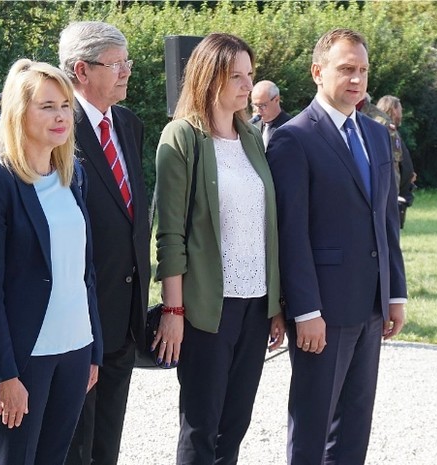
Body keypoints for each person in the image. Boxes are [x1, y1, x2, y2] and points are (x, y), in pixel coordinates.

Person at [266, 28, 407, 465]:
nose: (357, 79)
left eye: (363, 70)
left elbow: (386, 220)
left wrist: (396, 294)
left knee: (354, 428)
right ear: (317, 72)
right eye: (346, 69)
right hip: (322, 311)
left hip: (371, 304)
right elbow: (290, 234)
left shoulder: (376, 135)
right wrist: (305, 311)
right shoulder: (293, 138)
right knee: (313, 428)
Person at [154, 32, 284, 464]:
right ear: (210, 77)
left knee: (235, 425)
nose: (248, 85)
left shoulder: (251, 137)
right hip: (207, 306)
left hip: (255, 305)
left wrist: (275, 304)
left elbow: (266, 226)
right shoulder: (181, 137)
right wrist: (173, 310)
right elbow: (170, 234)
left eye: (250, 75)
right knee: (201, 428)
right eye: (237, 77)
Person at [0, 58, 103, 465]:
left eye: (65, 106)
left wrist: (94, 347)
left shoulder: (71, 176)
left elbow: (84, 271)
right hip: (26, 358)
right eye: (47, 106)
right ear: (18, 112)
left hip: (76, 350)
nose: (61, 116)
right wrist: (4, 373)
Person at [59, 21, 150, 465]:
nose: (127, 71)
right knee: (74, 446)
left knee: (106, 446)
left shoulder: (129, 124)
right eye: (116, 64)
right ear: (82, 70)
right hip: (78, 316)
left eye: (126, 62)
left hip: (124, 314)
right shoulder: (60, 128)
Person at [376, 95, 417, 227]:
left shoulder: (389, 130)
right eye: (400, 110)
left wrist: (408, 176)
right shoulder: (385, 130)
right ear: (393, 109)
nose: (401, 114)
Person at [250, 80, 292, 149]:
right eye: (255, 105)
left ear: (276, 100)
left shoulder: (290, 127)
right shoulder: (253, 126)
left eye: (262, 105)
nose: (258, 110)